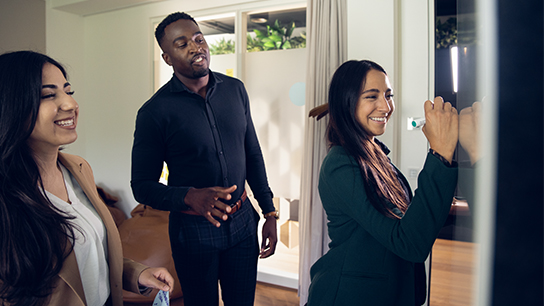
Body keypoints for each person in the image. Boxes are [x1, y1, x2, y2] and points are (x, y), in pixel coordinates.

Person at [0, 50, 174, 306]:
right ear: (11, 106)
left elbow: (91, 254)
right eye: (49, 95)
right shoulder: (7, 195)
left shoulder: (79, 169)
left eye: (68, 91)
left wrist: (138, 274)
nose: (70, 104)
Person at [130, 12, 278, 306]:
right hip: (193, 231)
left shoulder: (235, 90)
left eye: (199, 39)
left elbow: (252, 154)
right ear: (167, 58)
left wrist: (269, 211)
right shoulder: (155, 112)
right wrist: (189, 197)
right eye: (182, 43)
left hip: (243, 222)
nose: (196, 47)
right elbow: (142, 186)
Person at [306, 60, 459, 305]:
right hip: (348, 295)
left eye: (388, 95)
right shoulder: (340, 165)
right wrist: (439, 154)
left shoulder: (374, 154)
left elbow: (410, 224)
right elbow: (408, 242)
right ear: (347, 102)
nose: (386, 106)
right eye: (371, 96)